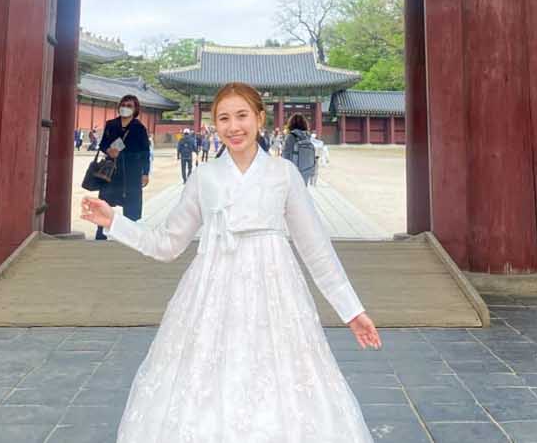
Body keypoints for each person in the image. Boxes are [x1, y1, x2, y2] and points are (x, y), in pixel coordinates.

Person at [84, 81, 382, 442]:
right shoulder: (204, 176)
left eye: (242, 116)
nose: (233, 126)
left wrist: (351, 310)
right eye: (223, 118)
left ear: (259, 118)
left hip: (274, 292)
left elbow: (315, 248)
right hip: (211, 293)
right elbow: (166, 244)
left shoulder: (282, 174)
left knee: (281, 380)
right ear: (214, 124)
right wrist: (114, 221)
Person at [90, 94, 153, 242]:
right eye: (123, 105)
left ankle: (130, 237)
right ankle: (100, 233)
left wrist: (145, 172)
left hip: (132, 170)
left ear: (135, 109)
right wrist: (108, 150)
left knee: (131, 204)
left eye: (129, 106)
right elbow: (103, 144)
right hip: (111, 169)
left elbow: (145, 151)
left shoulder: (139, 128)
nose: (125, 108)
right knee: (105, 201)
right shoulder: (111, 124)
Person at [285, 113, 319, 189]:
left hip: (294, 173)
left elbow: (285, 156)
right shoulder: (307, 136)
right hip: (306, 171)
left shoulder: (290, 137)